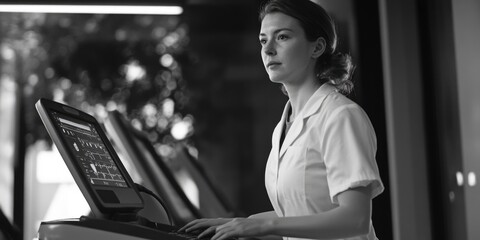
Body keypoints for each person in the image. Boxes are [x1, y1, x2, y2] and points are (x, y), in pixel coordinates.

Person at [178, 0, 384, 239]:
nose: (268, 49)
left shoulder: (340, 116)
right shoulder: (285, 125)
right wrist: (236, 224)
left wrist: (264, 227)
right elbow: (301, 211)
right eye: (263, 40)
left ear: (317, 48)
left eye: (283, 37)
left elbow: (355, 219)